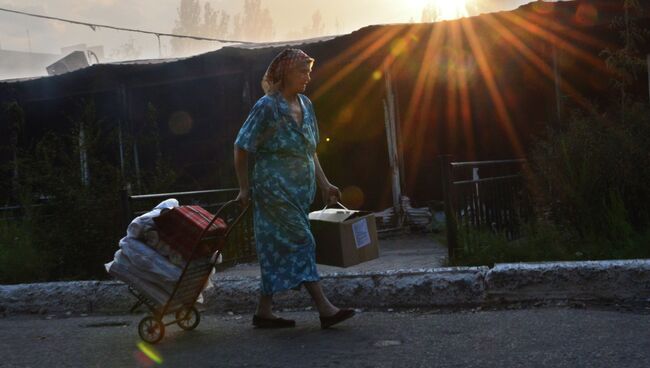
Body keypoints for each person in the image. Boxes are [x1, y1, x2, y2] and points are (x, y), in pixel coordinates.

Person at [233, 48, 355, 329]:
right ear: (286, 73)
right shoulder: (267, 106)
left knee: (276, 248)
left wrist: (325, 183)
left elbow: (309, 149)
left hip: (300, 191)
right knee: (302, 241)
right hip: (273, 188)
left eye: (309, 71)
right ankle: (325, 309)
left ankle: (264, 312)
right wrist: (243, 188)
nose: (308, 77)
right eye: (303, 71)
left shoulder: (306, 104)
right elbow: (241, 146)